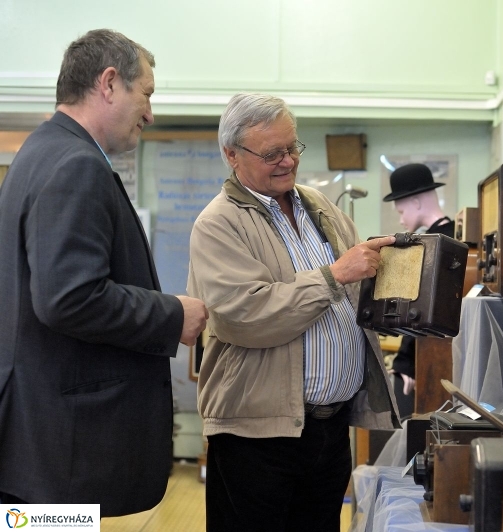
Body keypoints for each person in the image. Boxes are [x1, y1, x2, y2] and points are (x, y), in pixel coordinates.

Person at [0, 29, 208, 516]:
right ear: (109, 83)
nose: (150, 114)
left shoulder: (40, 151)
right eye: (147, 94)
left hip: (41, 445)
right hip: (58, 451)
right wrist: (172, 315)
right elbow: (68, 297)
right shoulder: (75, 164)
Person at [187, 93, 400, 532]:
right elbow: (247, 314)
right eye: (272, 154)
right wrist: (334, 275)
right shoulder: (218, 223)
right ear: (232, 155)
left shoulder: (321, 207)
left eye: (292, 148)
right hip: (256, 435)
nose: (287, 161)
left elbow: (356, 291)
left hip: (329, 428)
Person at [382, 163, 454, 406]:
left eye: (401, 212)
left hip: (432, 357)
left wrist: (405, 362)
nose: (401, 220)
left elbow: (421, 309)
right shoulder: (454, 236)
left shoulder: (433, 245)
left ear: (415, 202)